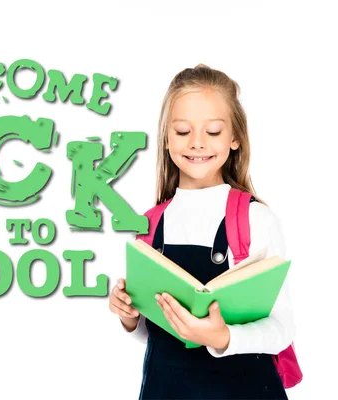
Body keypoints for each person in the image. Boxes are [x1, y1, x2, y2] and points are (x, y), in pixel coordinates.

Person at [108, 64, 295, 399]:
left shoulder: (256, 220)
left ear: (235, 138)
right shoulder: (148, 225)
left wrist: (221, 338)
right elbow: (155, 333)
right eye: (182, 131)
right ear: (166, 138)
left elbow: (282, 330)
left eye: (212, 132)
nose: (197, 143)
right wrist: (129, 317)